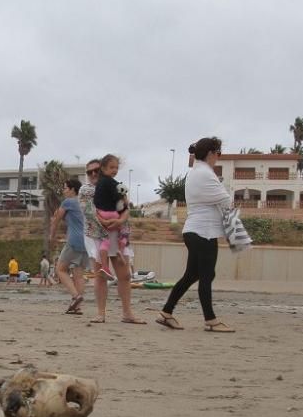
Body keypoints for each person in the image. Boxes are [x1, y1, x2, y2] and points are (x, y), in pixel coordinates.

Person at [157, 137, 235, 332]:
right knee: (206, 275)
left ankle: (167, 312)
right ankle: (211, 320)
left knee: (192, 275)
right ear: (210, 153)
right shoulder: (205, 174)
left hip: (194, 231)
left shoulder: (196, 172)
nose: (218, 157)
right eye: (218, 153)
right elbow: (226, 200)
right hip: (204, 232)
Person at [82, 155, 145, 324]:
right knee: (100, 275)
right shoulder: (86, 190)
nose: (94, 173)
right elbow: (88, 211)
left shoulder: (116, 187)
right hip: (97, 235)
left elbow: (125, 207)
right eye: (90, 171)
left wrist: (120, 220)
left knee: (124, 275)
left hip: (117, 233)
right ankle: (101, 313)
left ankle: (127, 313)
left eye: (96, 170)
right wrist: (105, 221)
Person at [49, 178, 90, 314]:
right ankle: (76, 307)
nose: (64, 190)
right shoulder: (84, 203)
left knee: (60, 269)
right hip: (86, 241)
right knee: (78, 274)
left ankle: (75, 296)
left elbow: (56, 220)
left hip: (74, 240)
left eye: (65, 188)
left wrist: (52, 236)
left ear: (73, 189)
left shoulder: (68, 202)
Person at [92, 156, 131, 277]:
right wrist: (124, 199)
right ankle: (121, 248)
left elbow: (95, 203)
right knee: (124, 230)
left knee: (105, 240)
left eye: (116, 168)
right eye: (112, 167)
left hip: (101, 213)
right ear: (103, 168)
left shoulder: (98, 183)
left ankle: (105, 267)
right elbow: (119, 197)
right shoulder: (112, 182)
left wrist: (100, 217)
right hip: (112, 213)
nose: (114, 170)